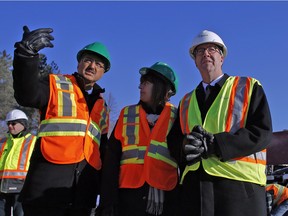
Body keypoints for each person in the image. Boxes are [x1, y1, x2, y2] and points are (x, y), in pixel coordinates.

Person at [167, 30, 273, 216]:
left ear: (222, 57)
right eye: (200, 51)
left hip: (239, 189)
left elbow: (261, 132)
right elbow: (173, 140)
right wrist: (185, 146)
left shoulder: (248, 87)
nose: (206, 54)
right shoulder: (186, 101)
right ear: (194, 60)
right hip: (194, 191)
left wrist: (216, 145)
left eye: (211, 49)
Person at [12, 26, 111, 216]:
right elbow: (27, 94)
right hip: (45, 193)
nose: (92, 66)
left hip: (83, 196)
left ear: (103, 72)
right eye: (88, 60)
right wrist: (26, 57)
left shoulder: (102, 107)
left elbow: (102, 151)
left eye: (99, 64)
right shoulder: (55, 85)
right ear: (79, 63)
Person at [97, 62, 179, 216]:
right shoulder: (127, 113)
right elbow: (111, 159)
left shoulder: (177, 117)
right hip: (127, 197)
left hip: (166, 198)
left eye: (146, 83)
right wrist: (108, 201)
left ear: (161, 87)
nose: (140, 87)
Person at [0, 109, 36, 216]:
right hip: (2, 187)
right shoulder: (2, 142)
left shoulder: (33, 141)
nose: (10, 126)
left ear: (23, 124)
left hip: (22, 188)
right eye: (8, 123)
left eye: (13, 123)